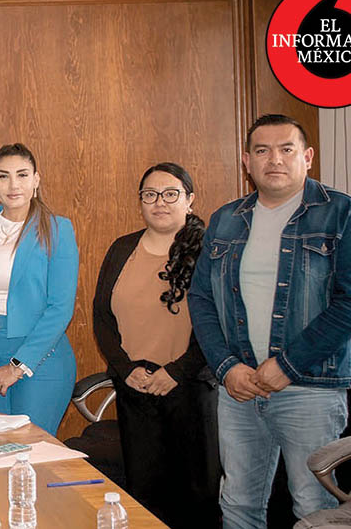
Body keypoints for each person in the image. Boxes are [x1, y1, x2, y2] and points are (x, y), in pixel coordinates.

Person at [188, 114, 351, 528]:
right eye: (262, 150)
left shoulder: (341, 213)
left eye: (286, 149)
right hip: (238, 389)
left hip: (309, 388)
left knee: (314, 508)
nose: (274, 159)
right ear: (247, 161)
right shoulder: (225, 219)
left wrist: (288, 365)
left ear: (307, 157)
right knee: (237, 504)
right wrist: (226, 367)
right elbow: (201, 299)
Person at [93, 162, 220, 528]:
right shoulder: (122, 248)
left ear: (190, 199)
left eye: (170, 194)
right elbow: (102, 316)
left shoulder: (208, 252)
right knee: (144, 497)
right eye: (150, 195)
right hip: (135, 388)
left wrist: (176, 372)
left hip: (189, 388)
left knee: (196, 499)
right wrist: (125, 370)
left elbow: (218, 324)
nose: (159, 202)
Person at [0, 143, 78, 436]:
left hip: (39, 359)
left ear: (36, 180)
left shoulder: (57, 229)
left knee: (29, 448)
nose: (13, 185)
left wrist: (17, 367)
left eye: (22, 175)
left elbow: (60, 308)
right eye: (3, 176)